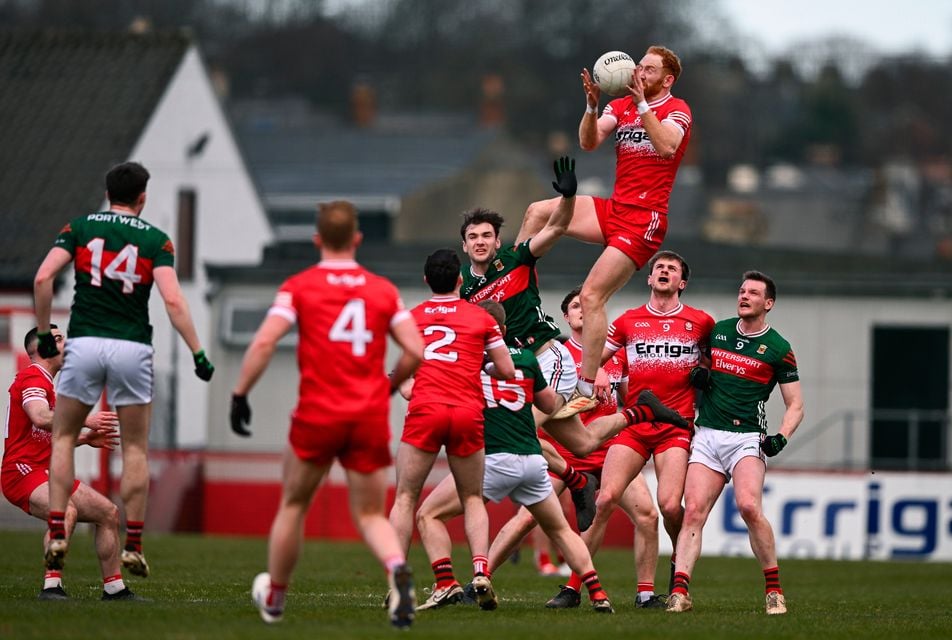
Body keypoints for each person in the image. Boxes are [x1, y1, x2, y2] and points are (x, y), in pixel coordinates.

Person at [228, 200, 424, 628]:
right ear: (357, 239)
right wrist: (388, 387)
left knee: (294, 504)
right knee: (371, 514)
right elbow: (416, 350)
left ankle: (275, 599)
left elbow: (263, 343)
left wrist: (240, 393)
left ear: (317, 239)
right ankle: (396, 569)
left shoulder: (298, 286)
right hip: (367, 414)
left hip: (317, 413)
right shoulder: (382, 290)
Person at [33, 161, 214, 581]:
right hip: (133, 347)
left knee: (61, 438)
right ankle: (133, 541)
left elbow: (43, 277)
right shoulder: (156, 239)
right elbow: (173, 301)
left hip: (85, 342)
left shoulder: (77, 227)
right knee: (134, 449)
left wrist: (44, 335)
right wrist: (198, 353)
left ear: (107, 191)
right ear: (142, 197)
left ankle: (58, 531)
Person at [460, 157, 686, 483]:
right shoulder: (464, 290)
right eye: (473, 237)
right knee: (584, 443)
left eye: (486, 236)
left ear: (497, 241)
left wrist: (567, 198)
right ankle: (643, 411)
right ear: (464, 245)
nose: (480, 241)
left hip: (547, 360)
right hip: (516, 372)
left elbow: (554, 227)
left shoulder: (516, 259)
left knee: (515, 429)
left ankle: (574, 482)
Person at [515, 45, 692, 410]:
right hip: (613, 208)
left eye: (649, 69)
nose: (639, 73)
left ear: (667, 78)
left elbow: (667, 148)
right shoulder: (621, 105)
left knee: (591, 296)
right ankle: (509, 289)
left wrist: (643, 105)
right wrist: (592, 105)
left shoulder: (677, 110)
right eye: (639, 66)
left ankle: (585, 386)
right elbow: (589, 141)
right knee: (536, 212)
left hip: (645, 220)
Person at [414, 301, 615, 613]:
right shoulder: (524, 359)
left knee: (430, 514)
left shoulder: (461, 363)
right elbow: (549, 406)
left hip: (491, 460)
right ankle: (599, 594)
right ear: (505, 331)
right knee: (560, 529)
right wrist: (573, 399)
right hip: (532, 461)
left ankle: (456, 579)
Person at [484, 286, 661, 610]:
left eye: (587, 305)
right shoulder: (556, 354)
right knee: (527, 518)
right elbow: (546, 407)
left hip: (609, 452)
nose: (583, 310)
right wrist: (585, 396)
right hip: (564, 451)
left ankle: (645, 594)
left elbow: (628, 400)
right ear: (565, 316)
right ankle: (480, 580)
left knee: (648, 515)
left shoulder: (616, 355)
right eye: (575, 306)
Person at [575, 251, 714, 607]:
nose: (664, 271)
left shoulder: (701, 323)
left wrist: (706, 375)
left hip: (675, 427)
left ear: (682, 283)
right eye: (659, 269)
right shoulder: (627, 321)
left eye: (672, 268)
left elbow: (717, 366)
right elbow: (594, 358)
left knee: (669, 506)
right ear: (649, 279)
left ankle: (677, 562)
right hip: (636, 423)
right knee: (604, 498)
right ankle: (573, 586)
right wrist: (600, 370)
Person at [666, 271, 803, 616]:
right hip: (709, 434)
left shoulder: (779, 349)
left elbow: (796, 405)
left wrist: (781, 437)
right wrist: (700, 376)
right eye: (742, 291)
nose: (744, 296)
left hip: (746, 438)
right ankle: (680, 592)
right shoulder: (720, 331)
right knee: (693, 512)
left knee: (748, 507)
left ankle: (773, 589)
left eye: (753, 293)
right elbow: (702, 368)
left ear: (768, 304)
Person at [388, 248, 514, 610]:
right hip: (465, 411)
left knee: (405, 498)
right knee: (472, 496)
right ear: (460, 279)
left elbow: (402, 375)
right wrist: (479, 367)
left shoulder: (411, 318)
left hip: (426, 410)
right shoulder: (481, 318)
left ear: (426, 280)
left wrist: (405, 386)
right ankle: (480, 572)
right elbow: (505, 370)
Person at [2, 326, 127, 600]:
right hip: (21, 472)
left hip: (44, 472)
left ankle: (115, 589)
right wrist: (86, 419)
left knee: (108, 513)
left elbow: (49, 431)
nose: (65, 344)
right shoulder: (33, 376)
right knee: (66, 511)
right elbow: (39, 416)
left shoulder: (46, 383)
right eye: (58, 339)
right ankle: (51, 587)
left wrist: (84, 439)